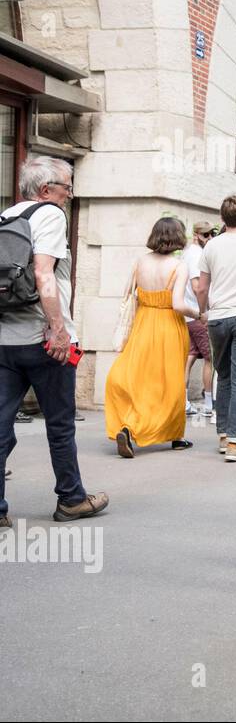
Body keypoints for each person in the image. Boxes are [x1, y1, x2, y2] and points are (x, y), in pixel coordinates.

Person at [0, 156, 106, 525]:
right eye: (67, 188)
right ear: (46, 190)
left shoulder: (7, 216)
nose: (69, 195)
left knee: (0, 424)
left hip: (4, 342)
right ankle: (72, 499)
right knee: (60, 424)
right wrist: (58, 330)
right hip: (44, 341)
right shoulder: (49, 215)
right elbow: (44, 273)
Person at [105, 217, 200, 457]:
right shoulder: (179, 267)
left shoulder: (140, 262)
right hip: (169, 326)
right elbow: (178, 304)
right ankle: (174, 436)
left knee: (137, 377)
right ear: (178, 237)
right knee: (168, 382)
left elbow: (127, 293)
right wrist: (198, 313)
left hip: (143, 323)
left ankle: (127, 425)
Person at [194, 194, 236, 463]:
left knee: (225, 376)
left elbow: (202, 286)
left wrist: (203, 311)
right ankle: (234, 441)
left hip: (217, 317)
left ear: (222, 218)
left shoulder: (211, 246)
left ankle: (222, 435)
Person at [182, 221, 215, 417]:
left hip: (188, 315)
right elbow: (197, 287)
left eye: (212, 234)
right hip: (197, 314)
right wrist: (204, 311)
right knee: (211, 358)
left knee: (190, 357)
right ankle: (210, 403)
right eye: (205, 235)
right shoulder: (195, 255)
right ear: (196, 235)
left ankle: (183, 401)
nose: (209, 238)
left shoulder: (187, 253)